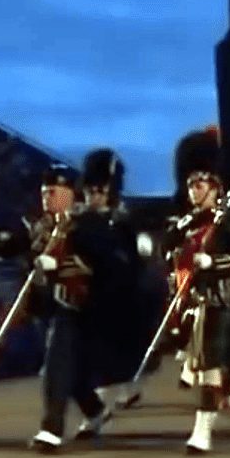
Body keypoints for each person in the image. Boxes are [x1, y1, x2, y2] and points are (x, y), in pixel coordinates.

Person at [0, 164, 125, 450]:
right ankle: (95, 411)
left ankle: (51, 429)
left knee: (56, 362)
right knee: (72, 367)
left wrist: (59, 265)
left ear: (70, 193)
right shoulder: (40, 223)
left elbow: (103, 263)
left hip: (77, 304)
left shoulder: (88, 223)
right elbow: (15, 242)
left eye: (53, 191)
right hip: (45, 303)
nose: (46, 197)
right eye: (44, 191)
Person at [163, 128, 230, 454]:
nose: (193, 190)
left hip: (222, 300)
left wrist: (212, 261)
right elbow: (171, 259)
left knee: (209, 367)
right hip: (194, 302)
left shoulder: (229, 219)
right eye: (190, 184)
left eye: (200, 184)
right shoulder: (186, 222)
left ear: (215, 186)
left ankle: (201, 432)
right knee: (206, 365)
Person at [76, 148, 159, 410]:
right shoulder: (81, 219)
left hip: (124, 290)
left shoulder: (124, 219)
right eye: (90, 191)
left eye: (99, 191)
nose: (94, 196)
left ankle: (125, 385)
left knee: (125, 343)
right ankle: (103, 390)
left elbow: (135, 257)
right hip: (94, 290)